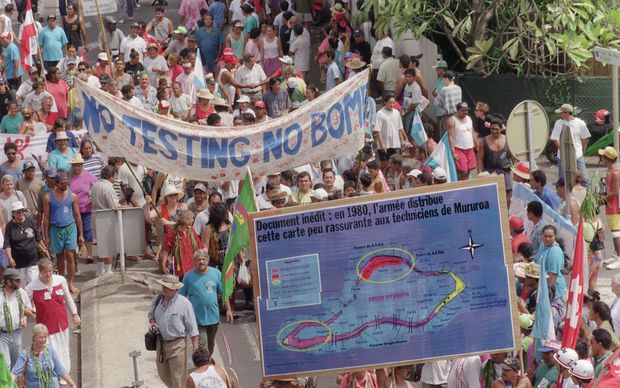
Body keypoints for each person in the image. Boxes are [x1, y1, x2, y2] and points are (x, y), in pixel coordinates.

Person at [25, 259, 80, 378]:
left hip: (61, 323)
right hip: (45, 327)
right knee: (50, 350)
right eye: (45, 272)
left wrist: (75, 314)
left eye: (50, 271)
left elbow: (68, 298)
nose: (48, 274)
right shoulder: (32, 287)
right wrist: (27, 311)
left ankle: (65, 374)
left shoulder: (60, 280)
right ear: (40, 272)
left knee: (64, 349)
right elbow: (24, 301)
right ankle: (53, 375)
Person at [148, 274, 199, 388]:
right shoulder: (157, 300)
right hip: (160, 344)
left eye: (168, 287)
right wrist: (152, 323)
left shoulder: (184, 304)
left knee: (178, 377)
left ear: (175, 289)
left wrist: (195, 348)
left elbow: (193, 329)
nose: (164, 289)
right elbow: (150, 315)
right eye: (163, 286)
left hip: (178, 345)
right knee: (163, 374)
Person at [179, 249, 233, 356]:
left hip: (213, 318)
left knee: (211, 344)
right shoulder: (188, 277)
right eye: (198, 260)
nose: (201, 262)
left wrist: (228, 310)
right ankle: (204, 365)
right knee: (203, 345)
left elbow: (223, 294)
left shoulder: (216, 273)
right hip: (197, 319)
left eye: (204, 259)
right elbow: (181, 297)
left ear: (208, 260)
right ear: (194, 262)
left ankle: (206, 363)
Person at [42, 171, 84, 294]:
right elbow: (46, 218)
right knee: (59, 256)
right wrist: (46, 236)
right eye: (62, 183)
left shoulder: (73, 196)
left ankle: (71, 283)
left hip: (70, 227)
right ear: (56, 182)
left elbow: (77, 215)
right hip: (56, 229)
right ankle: (61, 282)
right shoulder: (48, 197)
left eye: (67, 183)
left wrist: (80, 234)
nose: (65, 185)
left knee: (70, 255)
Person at [11, 323, 78, 388]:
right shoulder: (25, 354)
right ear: (34, 337)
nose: (43, 340)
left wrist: (72, 384)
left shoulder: (50, 351)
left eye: (45, 337)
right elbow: (15, 373)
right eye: (40, 337)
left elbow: (61, 371)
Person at [90, 166, 121, 276]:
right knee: (109, 245)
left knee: (101, 245)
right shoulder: (108, 187)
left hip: (95, 217)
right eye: (114, 176)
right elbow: (114, 206)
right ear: (110, 176)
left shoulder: (95, 185)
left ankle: (99, 269)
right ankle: (107, 270)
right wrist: (123, 205)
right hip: (106, 218)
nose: (115, 178)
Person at [550, 103, 591, 186]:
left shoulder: (580, 123)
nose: (559, 114)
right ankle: (566, 197)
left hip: (577, 155)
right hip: (562, 157)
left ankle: (581, 197)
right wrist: (565, 151)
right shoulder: (558, 123)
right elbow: (556, 139)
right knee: (563, 181)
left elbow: (584, 139)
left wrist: (583, 151)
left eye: (561, 112)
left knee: (585, 179)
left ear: (567, 113)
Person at [0, 268, 32, 369]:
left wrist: (25, 317)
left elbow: (28, 307)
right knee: (6, 364)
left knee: (17, 364)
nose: (20, 282)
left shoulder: (21, 292)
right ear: (8, 281)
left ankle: (15, 384)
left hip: (17, 333)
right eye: (17, 280)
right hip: (2, 335)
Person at [4, 202, 42, 285]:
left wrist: (44, 249)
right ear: (13, 213)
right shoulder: (10, 226)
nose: (21, 213)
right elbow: (7, 243)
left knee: (33, 282)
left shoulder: (30, 221)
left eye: (22, 211)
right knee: (21, 284)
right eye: (18, 211)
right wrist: (10, 257)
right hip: (18, 261)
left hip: (32, 259)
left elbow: (38, 238)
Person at [69, 154, 97, 263]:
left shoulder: (89, 176)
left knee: (87, 231)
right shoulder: (69, 178)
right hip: (73, 210)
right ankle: (79, 250)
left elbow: (96, 188)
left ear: (82, 165)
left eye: (78, 165)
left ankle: (89, 254)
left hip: (86, 209)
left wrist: (92, 197)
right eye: (74, 165)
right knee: (74, 231)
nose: (76, 167)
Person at [598, 147, 620, 267]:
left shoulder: (615, 173)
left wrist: (600, 201)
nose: (601, 158)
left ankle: (619, 258)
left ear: (607, 159)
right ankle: (617, 254)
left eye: (603, 156)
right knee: (614, 231)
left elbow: (615, 192)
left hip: (615, 206)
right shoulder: (609, 172)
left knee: (616, 232)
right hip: (610, 205)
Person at [374, 94, 406, 173]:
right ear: (385, 102)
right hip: (385, 145)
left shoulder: (396, 113)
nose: (392, 105)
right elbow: (378, 130)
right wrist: (382, 144)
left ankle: (397, 182)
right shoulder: (380, 114)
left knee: (398, 165)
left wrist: (402, 141)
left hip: (396, 144)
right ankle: (381, 180)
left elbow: (399, 128)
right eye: (390, 103)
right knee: (384, 165)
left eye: (393, 103)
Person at [447, 101, 476, 181]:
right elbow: (451, 136)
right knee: (463, 171)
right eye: (463, 110)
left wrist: (476, 143)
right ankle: (457, 185)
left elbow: (472, 131)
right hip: (458, 149)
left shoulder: (469, 119)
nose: (465, 112)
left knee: (469, 169)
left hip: (469, 148)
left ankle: (465, 186)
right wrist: (453, 152)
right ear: (457, 110)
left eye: (466, 110)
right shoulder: (452, 120)